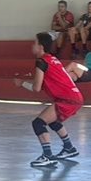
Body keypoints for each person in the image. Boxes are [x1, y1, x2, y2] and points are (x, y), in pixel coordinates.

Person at [16, 32, 82, 166]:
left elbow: (36, 88)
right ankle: (69, 148)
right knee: (53, 121)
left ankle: (47, 156)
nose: (32, 45)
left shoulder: (41, 62)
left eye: (34, 43)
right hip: (74, 97)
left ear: (40, 47)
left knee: (38, 123)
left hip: (67, 99)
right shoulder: (52, 59)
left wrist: (21, 83)